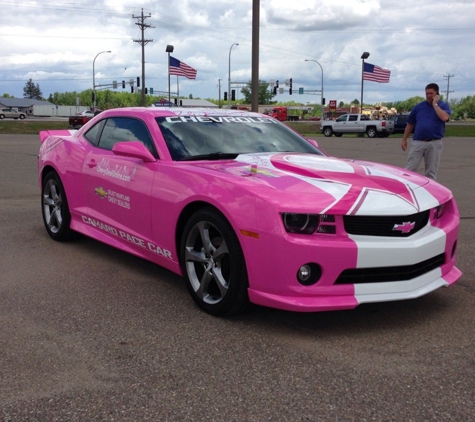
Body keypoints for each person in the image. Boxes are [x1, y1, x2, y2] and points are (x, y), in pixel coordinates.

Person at [401, 83, 451, 180]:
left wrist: (435, 105)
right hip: (418, 142)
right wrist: (404, 140)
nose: (428, 96)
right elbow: (410, 123)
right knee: (409, 170)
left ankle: (429, 192)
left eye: (431, 93)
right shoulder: (418, 107)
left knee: (431, 172)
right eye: (427, 93)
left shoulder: (443, 106)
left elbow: (445, 117)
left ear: (436, 93)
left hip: (434, 142)